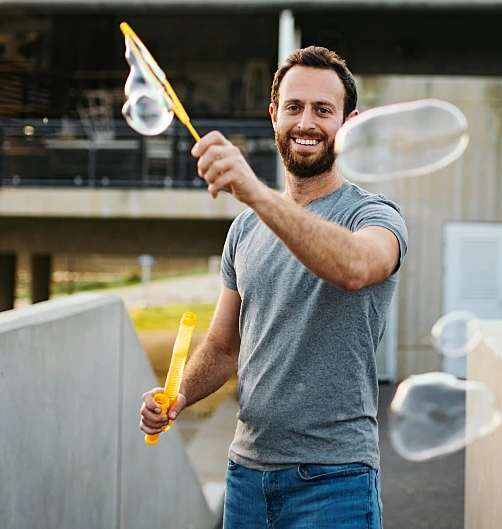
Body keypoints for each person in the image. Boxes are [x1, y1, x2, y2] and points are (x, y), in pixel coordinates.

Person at [140, 46, 408, 529]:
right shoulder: (245, 230)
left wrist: (257, 193)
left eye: (323, 111)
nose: (306, 122)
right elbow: (224, 347)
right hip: (246, 476)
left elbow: (355, 266)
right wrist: (178, 393)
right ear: (274, 115)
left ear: (349, 122)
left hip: (335, 481)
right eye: (294, 107)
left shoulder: (374, 216)